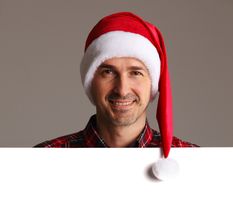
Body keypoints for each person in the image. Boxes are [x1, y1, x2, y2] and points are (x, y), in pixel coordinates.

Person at [35, 12, 198, 157]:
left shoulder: (195, 162)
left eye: (135, 73)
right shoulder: (42, 159)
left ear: (153, 84)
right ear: (90, 82)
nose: (122, 89)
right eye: (108, 72)